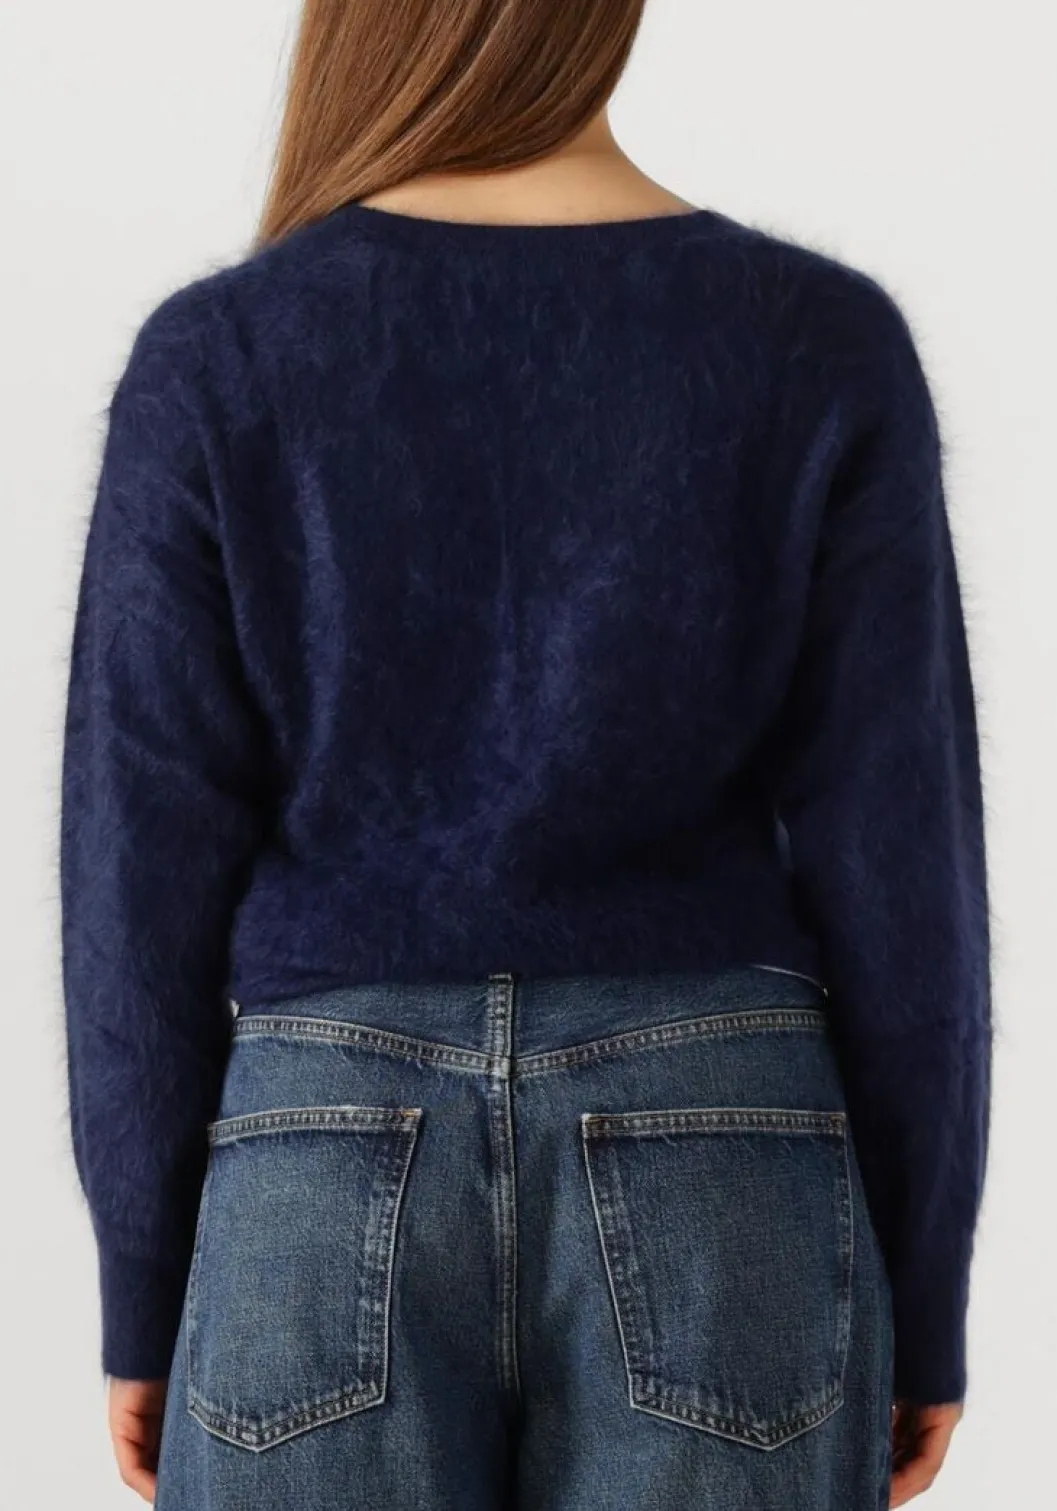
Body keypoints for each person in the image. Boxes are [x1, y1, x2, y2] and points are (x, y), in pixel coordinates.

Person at [59, 1, 993, 1507]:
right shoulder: (818, 342)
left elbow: (137, 865)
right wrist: (923, 1289)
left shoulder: (218, 358)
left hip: (320, 1156)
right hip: (722, 1150)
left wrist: (146, 1281)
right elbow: (904, 861)